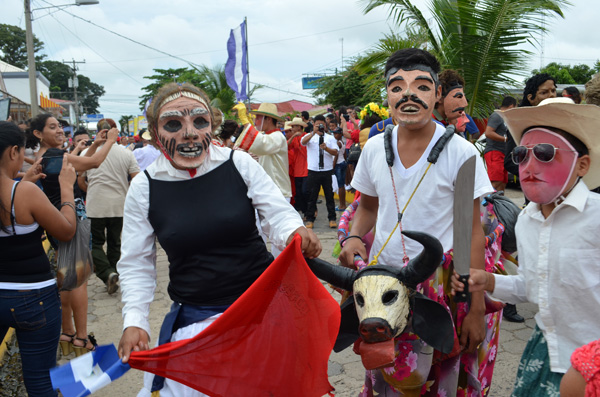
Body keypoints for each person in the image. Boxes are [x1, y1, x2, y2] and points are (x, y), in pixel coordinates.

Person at [116, 82, 320, 397]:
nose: (189, 133)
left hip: (262, 314)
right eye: (174, 124)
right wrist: (134, 320)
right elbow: (135, 263)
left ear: (212, 125)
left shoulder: (238, 163)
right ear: (156, 136)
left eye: (200, 121)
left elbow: (276, 213)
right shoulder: (144, 187)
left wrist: (294, 230)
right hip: (198, 323)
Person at [339, 48, 493, 396]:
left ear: (437, 94)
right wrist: (352, 237)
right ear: (388, 96)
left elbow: (471, 231)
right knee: (387, 374)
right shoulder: (374, 148)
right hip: (382, 286)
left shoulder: (463, 154)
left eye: (422, 86)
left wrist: (476, 308)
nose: (408, 94)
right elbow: (367, 208)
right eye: (397, 87)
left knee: (438, 375)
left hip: (439, 287)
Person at [452, 98, 600, 396]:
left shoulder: (596, 218)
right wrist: (489, 280)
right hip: (545, 352)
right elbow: (534, 286)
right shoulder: (526, 221)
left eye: (546, 153)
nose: (530, 166)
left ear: (582, 164)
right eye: (522, 154)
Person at [0, 121, 77, 396]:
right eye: (21, 152)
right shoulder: (25, 192)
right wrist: (66, 188)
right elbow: (66, 232)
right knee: (40, 382)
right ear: (12, 152)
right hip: (35, 297)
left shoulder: (23, 188)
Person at [31, 113, 118, 356]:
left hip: (60, 221)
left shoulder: (46, 156)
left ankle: (67, 332)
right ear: (38, 134)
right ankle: (81, 338)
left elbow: (79, 162)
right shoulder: (54, 156)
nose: (59, 130)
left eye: (59, 126)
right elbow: (94, 163)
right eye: (52, 127)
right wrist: (111, 140)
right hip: (73, 220)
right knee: (78, 280)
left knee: (68, 278)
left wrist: (95, 144)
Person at [80, 118, 140, 295]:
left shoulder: (87, 153)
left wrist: (91, 191)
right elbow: (136, 178)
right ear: (115, 131)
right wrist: (126, 191)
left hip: (95, 205)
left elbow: (80, 180)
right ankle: (112, 273)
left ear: (98, 132)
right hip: (119, 204)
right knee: (115, 242)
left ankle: (107, 274)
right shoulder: (126, 153)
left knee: (94, 244)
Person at [233, 102, 293, 204]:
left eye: (258, 118)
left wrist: (245, 121)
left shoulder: (278, 136)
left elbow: (262, 144)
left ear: (268, 119)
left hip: (278, 191)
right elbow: (259, 141)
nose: (256, 121)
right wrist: (250, 125)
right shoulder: (270, 135)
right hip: (270, 190)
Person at [301, 114, 339, 229]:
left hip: (326, 170)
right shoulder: (309, 136)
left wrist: (326, 148)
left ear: (325, 125)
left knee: (329, 196)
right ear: (313, 124)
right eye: (317, 124)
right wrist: (313, 132)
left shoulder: (330, 138)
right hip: (313, 170)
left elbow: (335, 152)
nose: (319, 126)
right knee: (312, 196)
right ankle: (310, 218)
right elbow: (303, 142)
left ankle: (332, 218)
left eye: (321, 125)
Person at [433, 69, 480, 139]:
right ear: (439, 97)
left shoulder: (442, 124)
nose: (465, 103)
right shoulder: (431, 127)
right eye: (459, 96)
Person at [483, 96, 517, 193]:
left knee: (502, 183)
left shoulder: (504, 117)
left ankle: (497, 207)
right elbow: (488, 133)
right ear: (511, 106)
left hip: (503, 153)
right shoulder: (497, 115)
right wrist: (506, 139)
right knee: (496, 182)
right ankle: (485, 206)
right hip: (494, 151)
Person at [287, 117, 309, 217]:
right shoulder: (294, 138)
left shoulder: (306, 137)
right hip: (297, 170)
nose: (292, 128)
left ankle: (310, 211)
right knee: (299, 193)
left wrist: (299, 138)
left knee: (305, 192)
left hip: (306, 169)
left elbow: (305, 151)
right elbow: (286, 146)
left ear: (299, 127)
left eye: (293, 126)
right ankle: (305, 212)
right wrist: (292, 137)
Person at [330, 120, 347, 211]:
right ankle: (342, 204)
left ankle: (342, 205)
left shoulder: (337, 143)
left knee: (340, 185)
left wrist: (332, 167)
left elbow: (336, 156)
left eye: (336, 133)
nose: (334, 135)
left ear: (340, 134)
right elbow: (344, 154)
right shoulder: (342, 142)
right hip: (343, 162)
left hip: (338, 164)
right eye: (334, 133)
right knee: (342, 185)